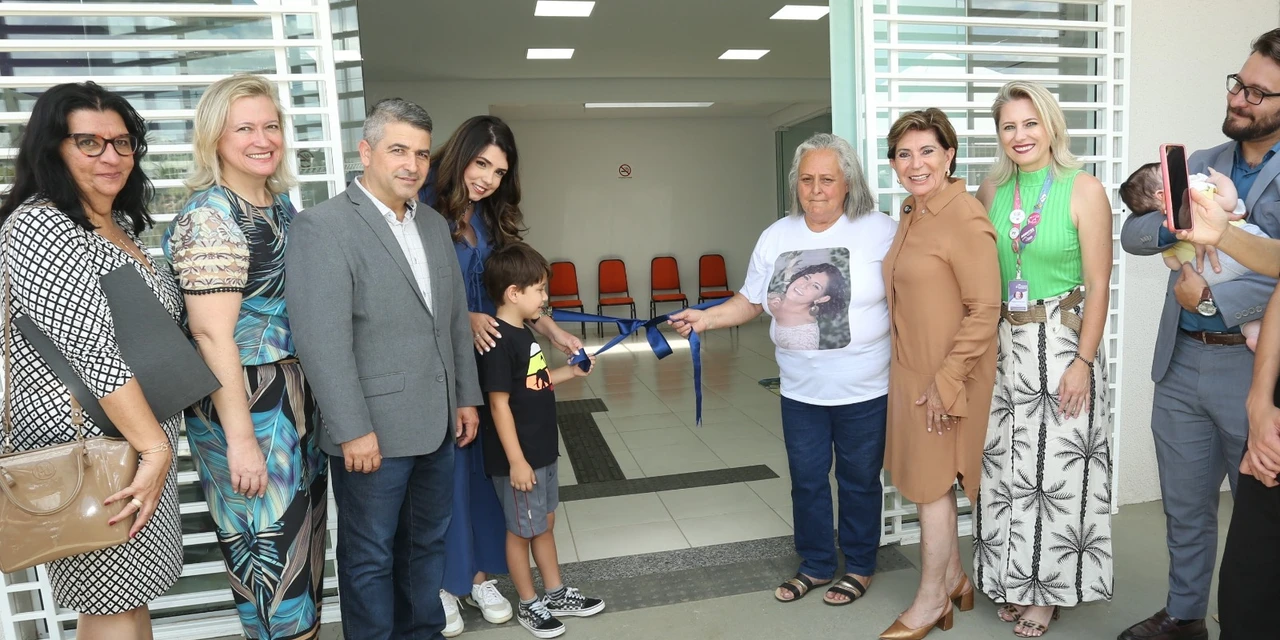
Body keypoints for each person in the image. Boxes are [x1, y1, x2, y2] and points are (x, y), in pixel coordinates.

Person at [669, 133, 897, 607]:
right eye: (807, 180)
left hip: (865, 388)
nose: (816, 190)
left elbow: (912, 297)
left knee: (859, 480)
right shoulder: (777, 236)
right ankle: (815, 564)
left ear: (848, 183)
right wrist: (705, 318)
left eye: (827, 180)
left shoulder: (880, 230)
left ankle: (858, 565)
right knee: (807, 479)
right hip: (800, 390)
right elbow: (751, 300)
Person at [284, 98, 482, 640]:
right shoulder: (323, 228)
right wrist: (352, 429)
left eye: (421, 153)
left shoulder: (436, 226)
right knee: (370, 557)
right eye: (398, 150)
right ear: (365, 150)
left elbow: (452, 323)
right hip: (371, 432)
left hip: (438, 421)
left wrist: (466, 397)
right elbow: (323, 343)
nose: (412, 165)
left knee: (426, 546)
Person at [0, 81, 182, 638]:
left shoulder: (118, 225)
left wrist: (155, 443)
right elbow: (91, 348)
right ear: (52, 149)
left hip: (134, 435)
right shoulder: (40, 224)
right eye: (89, 142)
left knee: (128, 600)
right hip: (88, 448)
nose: (111, 156)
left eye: (122, 142)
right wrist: (154, 447)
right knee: (110, 605)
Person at [1119, 28, 1280, 640]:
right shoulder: (1201, 164)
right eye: (1239, 83)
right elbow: (1135, 235)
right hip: (1181, 365)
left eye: (1258, 93)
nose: (1239, 98)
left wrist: (1210, 298)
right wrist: (1176, 221)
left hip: (1251, 366)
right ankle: (1185, 616)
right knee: (1185, 507)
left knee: (1262, 516)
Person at [161, 74, 327, 639]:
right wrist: (241, 440)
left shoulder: (278, 205)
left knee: (303, 564)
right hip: (246, 402)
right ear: (214, 139)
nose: (263, 138)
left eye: (271, 125)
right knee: (276, 580)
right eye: (245, 128)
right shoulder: (210, 217)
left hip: (294, 394)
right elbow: (211, 337)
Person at [419, 115, 582, 635]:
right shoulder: (420, 207)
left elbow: (512, 290)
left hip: (494, 359)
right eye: (480, 164)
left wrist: (553, 333)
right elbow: (409, 290)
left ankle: (482, 575)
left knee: (491, 475)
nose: (487, 178)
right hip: (442, 361)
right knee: (448, 474)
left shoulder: (490, 218)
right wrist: (460, 316)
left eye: (498, 170)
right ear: (458, 156)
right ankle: (446, 585)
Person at [974, 80, 1114, 638]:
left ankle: (1048, 593)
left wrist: (1083, 361)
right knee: (1007, 468)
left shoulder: (1084, 190)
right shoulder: (991, 189)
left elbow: (1100, 286)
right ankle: (1012, 580)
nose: (1020, 135)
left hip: (1062, 343)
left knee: (1054, 473)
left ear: (1051, 125)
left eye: (1030, 123)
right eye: (1009, 126)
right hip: (1005, 345)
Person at [879, 108, 1001, 639]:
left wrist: (946, 378)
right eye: (904, 154)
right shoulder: (913, 210)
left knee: (931, 488)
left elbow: (985, 309)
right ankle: (954, 578)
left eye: (927, 151)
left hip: (949, 376)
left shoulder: (965, 216)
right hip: (911, 372)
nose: (915, 163)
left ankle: (932, 601)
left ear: (949, 155)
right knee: (928, 485)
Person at [477, 242, 604, 638]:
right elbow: (498, 406)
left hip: (542, 451)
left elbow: (536, 382)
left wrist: (572, 373)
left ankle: (555, 592)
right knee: (521, 531)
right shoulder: (497, 341)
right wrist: (516, 461)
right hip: (520, 460)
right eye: (540, 290)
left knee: (544, 524)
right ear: (514, 293)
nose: (545, 299)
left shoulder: (522, 333)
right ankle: (529, 603)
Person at [1119, 164, 1265, 350]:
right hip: (1231, 257)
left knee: (1248, 315)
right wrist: (1187, 223)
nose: (1182, 175)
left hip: (1204, 274)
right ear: (1162, 195)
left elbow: (1172, 263)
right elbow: (1229, 203)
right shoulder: (1195, 189)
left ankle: (1253, 332)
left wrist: (1182, 239)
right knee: (1263, 244)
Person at [766, 263, 849, 350]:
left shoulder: (804, 337)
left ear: (822, 299)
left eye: (815, 286)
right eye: (806, 278)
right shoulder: (776, 297)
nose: (803, 285)